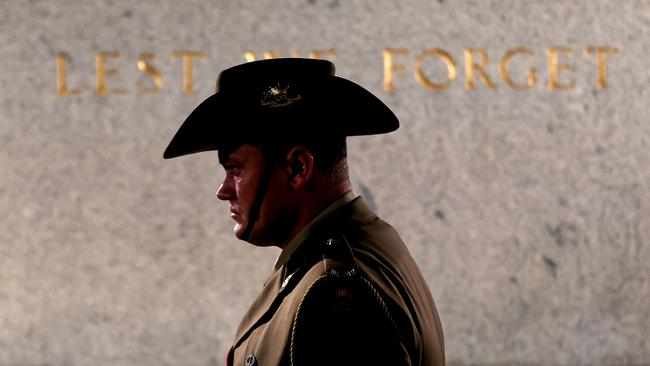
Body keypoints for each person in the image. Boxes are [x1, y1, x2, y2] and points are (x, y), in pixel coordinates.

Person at [163, 58, 445, 366]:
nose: (223, 191)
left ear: (298, 168)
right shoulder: (356, 246)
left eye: (236, 169)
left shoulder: (331, 296)